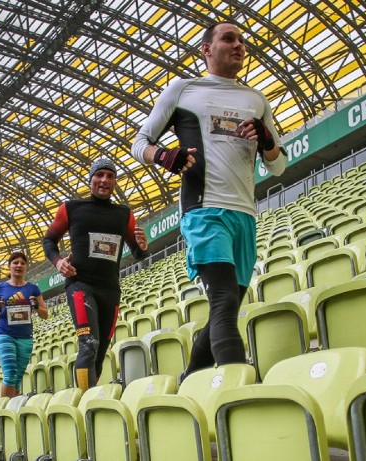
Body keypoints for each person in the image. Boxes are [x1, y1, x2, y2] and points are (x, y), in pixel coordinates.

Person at [131, 21, 287, 380]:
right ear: (206, 49)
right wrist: (163, 156)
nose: (238, 45)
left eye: (242, 41)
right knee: (223, 300)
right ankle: (237, 387)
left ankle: (190, 381)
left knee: (226, 310)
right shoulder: (183, 90)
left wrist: (266, 139)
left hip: (245, 215)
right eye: (228, 38)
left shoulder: (257, 100)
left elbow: (278, 166)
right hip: (203, 210)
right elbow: (140, 142)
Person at [43, 157, 149, 391]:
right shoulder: (71, 208)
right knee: (88, 344)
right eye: (99, 175)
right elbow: (49, 239)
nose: (104, 180)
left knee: (100, 351)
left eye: (110, 176)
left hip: (110, 290)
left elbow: (137, 253)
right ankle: (84, 403)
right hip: (81, 286)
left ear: (114, 182)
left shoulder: (124, 214)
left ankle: (89, 395)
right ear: (90, 179)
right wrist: (58, 261)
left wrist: (143, 246)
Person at [0, 251, 48, 397]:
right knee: (10, 373)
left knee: (17, 377)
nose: (19, 265)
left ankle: (13, 412)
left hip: (25, 337)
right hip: (5, 334)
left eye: (22, 263)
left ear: (26, 267)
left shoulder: (33, 288)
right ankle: (4, 412)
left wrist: (37, 307)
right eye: (15, 262)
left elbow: (45, 315)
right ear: (9, 266)